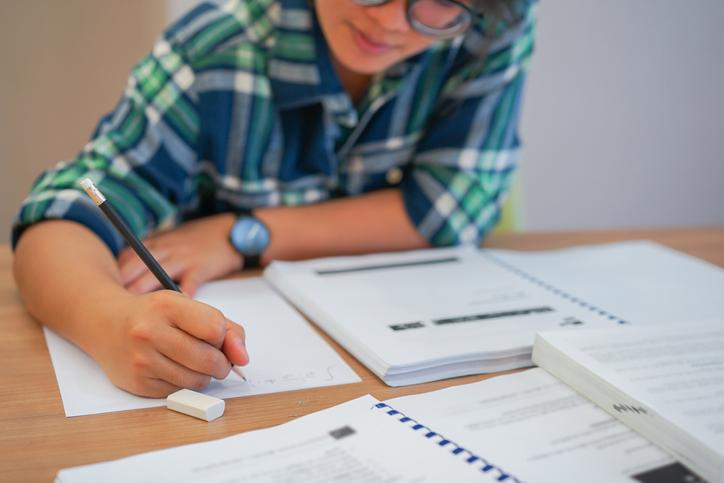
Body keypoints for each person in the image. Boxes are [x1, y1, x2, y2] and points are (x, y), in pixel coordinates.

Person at [12, 0, 535, 397]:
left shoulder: (488, 28)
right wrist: (108, 321)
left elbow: (450, 207)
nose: (393, 21)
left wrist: (242, 235)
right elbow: (63, 214)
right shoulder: (216, 45)